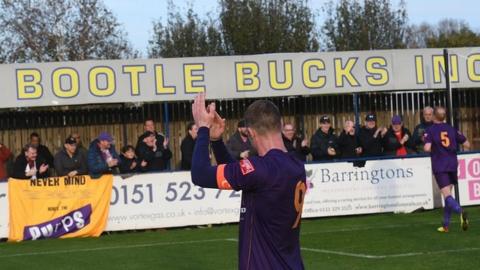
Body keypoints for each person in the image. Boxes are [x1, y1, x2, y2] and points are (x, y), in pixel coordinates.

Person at [191, 94, 305, 269]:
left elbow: (200, 174)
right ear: (280, 125)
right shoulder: (296, 165)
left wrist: (203, 129)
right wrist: (216, 141)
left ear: (251, 132)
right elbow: (241, 176)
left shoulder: (260, 169)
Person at [424, 106, 470, 233]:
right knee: (448, 194)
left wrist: (431, 144)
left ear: (434, 116)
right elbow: (467, 144)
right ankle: (445, 225)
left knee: (447, 195)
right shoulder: (451, 129)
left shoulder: (431, 130)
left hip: (440, 165)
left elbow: (427, 148)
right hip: (452, 164)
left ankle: (461, 212)